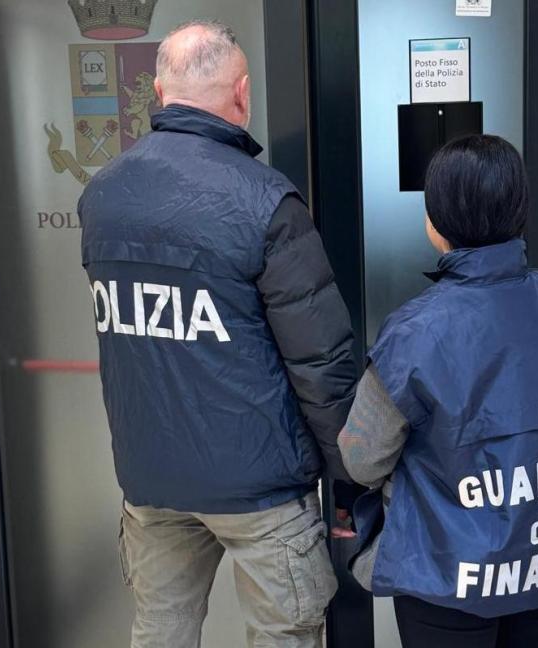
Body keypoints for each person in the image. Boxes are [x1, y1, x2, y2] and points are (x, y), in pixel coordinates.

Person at [79, 20, 361, 648]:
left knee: (161, 631)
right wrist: (351, 477)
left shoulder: (102, 196)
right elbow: (321, 360)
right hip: (260, 482)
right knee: (283, 633)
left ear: (159, 92)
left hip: (151, 479)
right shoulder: (265, 201)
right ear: (241, 92)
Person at [338, 135, 538, 648]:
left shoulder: (412, 335)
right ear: (521, 210)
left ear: (435, 223)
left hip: (444, 574)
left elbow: (361, 457)